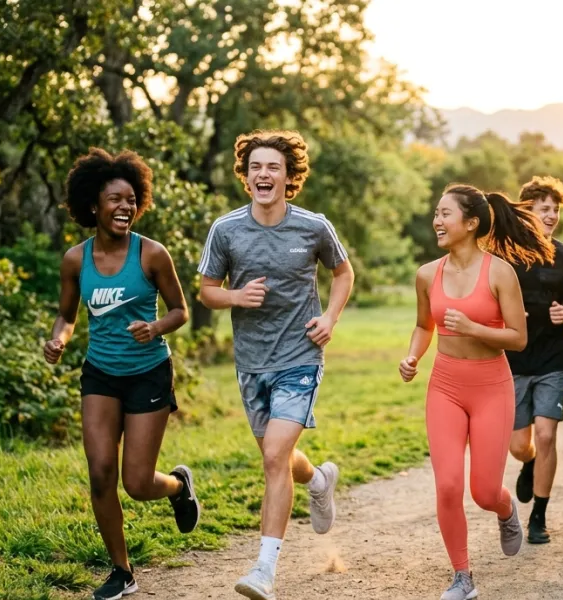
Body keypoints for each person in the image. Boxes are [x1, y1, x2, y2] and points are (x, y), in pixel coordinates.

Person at [196, 130, 354, 600]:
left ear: (289, 177)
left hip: (300, 355)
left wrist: (330, 317)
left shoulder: (313, 226)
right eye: (255, 168)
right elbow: (206, 289)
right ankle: (320, 478)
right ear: (246, 178)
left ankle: (265, 568)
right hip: (251, 361)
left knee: (271, 458)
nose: (263, 175)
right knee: (279, 458)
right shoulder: (226, 230)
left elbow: (342, 272)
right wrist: (235, 296)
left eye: (273, 167)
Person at [44, 148, 200, 600]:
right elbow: (67, 315)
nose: (125, 207)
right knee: (100, 473)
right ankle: (122, 570)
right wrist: (59, 339)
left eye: (131, 199)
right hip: (101, 374)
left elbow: (181, 311)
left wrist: (154, 328)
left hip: (149, 371)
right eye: (115, 199)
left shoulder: (152, 254)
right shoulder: (76, 259)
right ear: (93, 205)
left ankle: (176, 486)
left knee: (136, 482)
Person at [398, 183, 554, 600]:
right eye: (436, 213)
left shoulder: (499, 272)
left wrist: (473, 328)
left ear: (470, 222)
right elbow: (422, 325)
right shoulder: (427, 274)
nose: (437, 221)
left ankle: (506, 509)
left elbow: (518, 338)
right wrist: (413, 356)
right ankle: (463, 577)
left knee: (484, 491)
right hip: (445, 385)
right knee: (448, 485)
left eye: (445, 214)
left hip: (491, 387)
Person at [505, 176, 563, 545]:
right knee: (520, 445)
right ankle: (529, 462)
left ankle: (539, 517)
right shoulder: (504, 251)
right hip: (513, 359)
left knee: (547, 434)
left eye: (555, 209)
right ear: (526, 212)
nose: (551, 215)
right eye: (544, 208)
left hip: (553, 357)